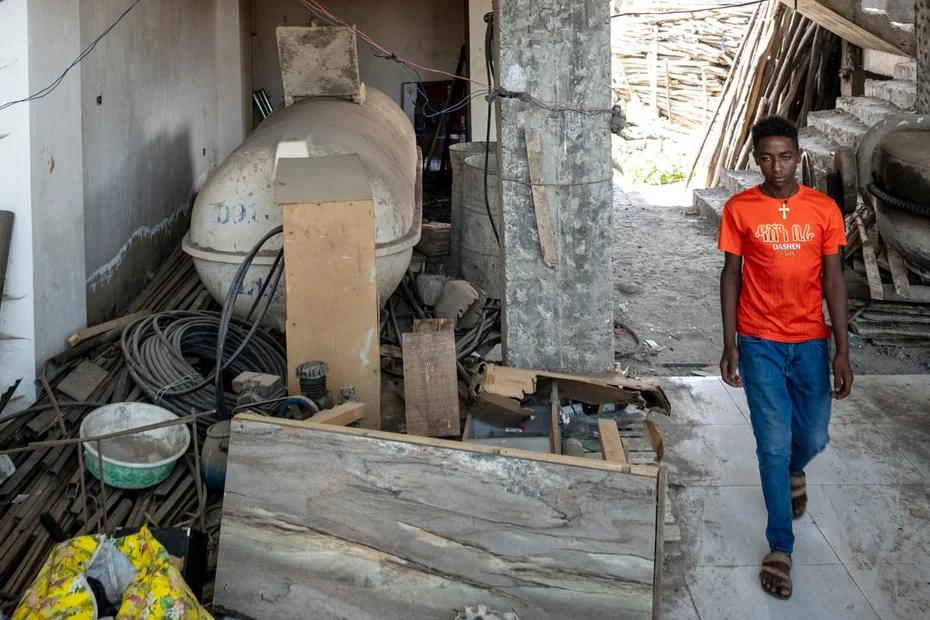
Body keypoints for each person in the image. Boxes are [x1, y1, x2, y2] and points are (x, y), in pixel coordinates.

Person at [717, 115, 853, 600]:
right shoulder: (739, 208)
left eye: (786, 156)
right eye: (767, 157)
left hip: (812, 340)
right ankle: (781, 547)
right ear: (756, 159)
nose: (777, 166)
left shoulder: (824, 210)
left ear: (799, 157)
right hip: (758, 341)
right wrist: (730, 341)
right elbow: (731, 274)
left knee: (813, 435)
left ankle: (796, 471)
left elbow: (834, 280)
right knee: (771, 442)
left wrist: (842, 348)